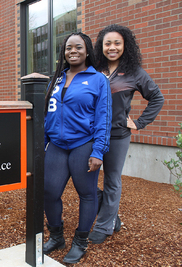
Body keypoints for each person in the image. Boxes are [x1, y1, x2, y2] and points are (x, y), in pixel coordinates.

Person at [88, 24, 164, 244]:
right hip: (91, 136)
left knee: (112, 180)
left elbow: (157, 97)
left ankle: (104, 226)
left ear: (125, 46)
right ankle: (112, 216)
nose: (112, 47)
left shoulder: (134, 72)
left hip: (117, 136)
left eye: (117, 43)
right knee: (85, 179)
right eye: (108, 43)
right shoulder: (93, 70)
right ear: (101, 46)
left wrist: (139, 123)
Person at [43, 32, 112, 264]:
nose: (73, 51)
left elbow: (104, 117)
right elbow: (48, 113)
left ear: (87, 50)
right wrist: (42, 144)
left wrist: (98, 151)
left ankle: (80, 242)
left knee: (87, 194)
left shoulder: (98, 80)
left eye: (78, 47)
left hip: (84, 144)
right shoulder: (57, 79)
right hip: (57, 145)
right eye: (68, 48)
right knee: (49, 192)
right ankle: (56, 237)